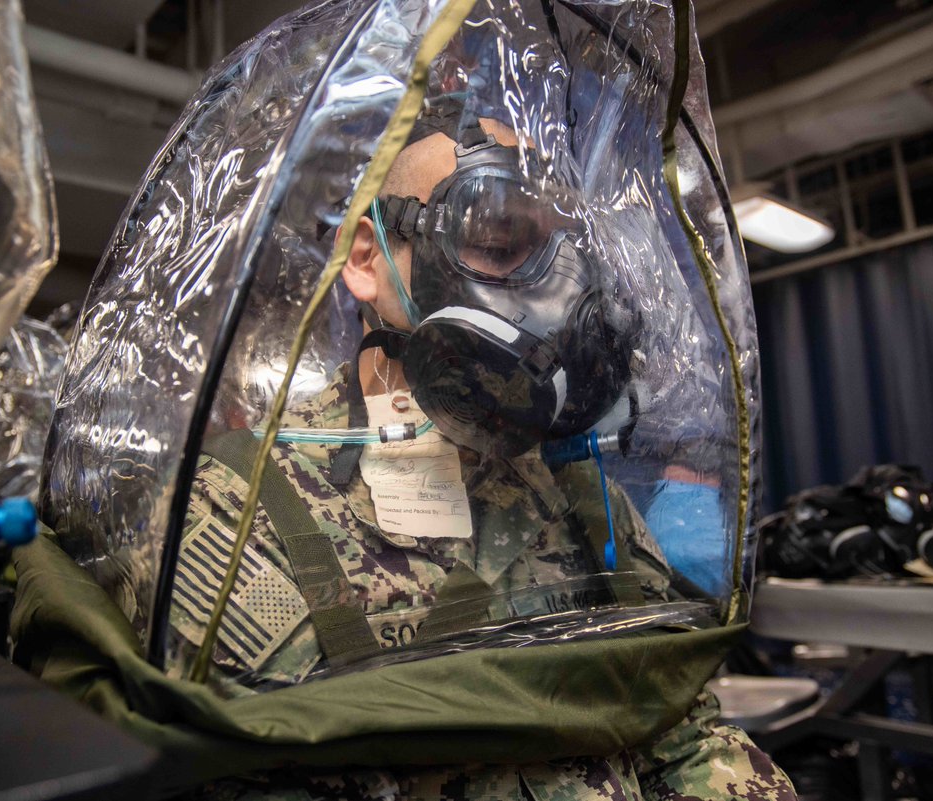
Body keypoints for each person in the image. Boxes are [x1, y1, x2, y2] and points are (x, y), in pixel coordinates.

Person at [163, 108, 796, 800]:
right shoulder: (239, 512)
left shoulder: (582, 496)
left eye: (564, 253)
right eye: (498, 244)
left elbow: (685, 734)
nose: (552, 297)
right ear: (369, 263)